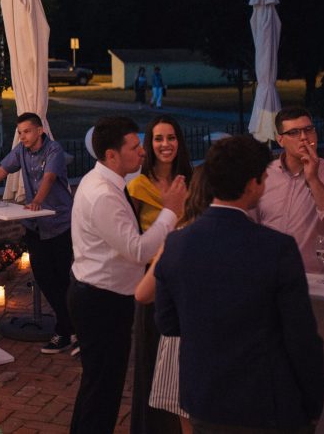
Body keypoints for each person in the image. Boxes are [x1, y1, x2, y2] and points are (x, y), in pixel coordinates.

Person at [155, 135, 324, 432]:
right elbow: (302, 338)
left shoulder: (177, 242)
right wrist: (312, 404)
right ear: (252, 184)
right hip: (265, 404)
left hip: (204, 400)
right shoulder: (277, 248)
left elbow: (168, 323)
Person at [67, 116, 186, 434]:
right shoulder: (103, 195)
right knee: (102, 391)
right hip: (101, 300)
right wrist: (172, 212)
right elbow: (138, 250)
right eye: (134, 147)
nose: (143, 152)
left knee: (97, 386)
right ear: (111, 155)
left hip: (100, 293)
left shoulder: (108, 183)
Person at [255, 107, 324, 429]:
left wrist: (314, 180)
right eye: (296, 133)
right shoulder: (264, 175)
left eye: (309, 130)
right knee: (275, 370)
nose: (305, 138)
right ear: (279, 139)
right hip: (273, 292)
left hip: (321, 290)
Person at [0, 112, 75, 353]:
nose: (22, 136)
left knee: (61, 279)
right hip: (34, 224)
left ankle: (66, 330)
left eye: (26, 131)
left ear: (40, 131)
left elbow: (49, 178)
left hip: (58, 223)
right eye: (20, 132)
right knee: (44, 277)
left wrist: (37, 200)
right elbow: (0, 172)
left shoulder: (54, 151)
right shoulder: (20, 151)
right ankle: (69, 327)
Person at [135, 164, 215, 434]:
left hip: (183, 340)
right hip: (225, 340)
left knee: (188, 422)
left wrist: (165, 244)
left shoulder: (179, 239)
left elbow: (143, 293)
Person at [127, 116, 193, 434]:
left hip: (188, 282)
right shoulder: (137, 187)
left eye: (170, 137)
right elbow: (133, 241)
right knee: (150, 357)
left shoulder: (191, 183)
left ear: (179, 141)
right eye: (157, 139)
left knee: (183, 362)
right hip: (153, 280)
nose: (165, 144)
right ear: (149, 145)